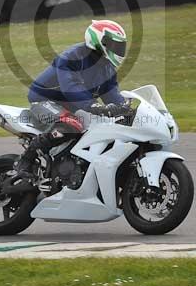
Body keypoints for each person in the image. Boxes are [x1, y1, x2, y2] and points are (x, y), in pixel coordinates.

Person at [14, 19, 130, 182]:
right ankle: (26, 159)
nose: (117, 50)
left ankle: (71, 167)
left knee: (99, 128)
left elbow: (112, 95)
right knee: (72, 124)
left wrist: (127, 109)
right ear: (99, 40)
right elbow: (72, 87)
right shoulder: (73, 57)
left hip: (71, 106)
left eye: (120, 46)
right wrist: (93, 106)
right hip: (43, 100)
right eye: (114, 45)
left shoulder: (107, 67)